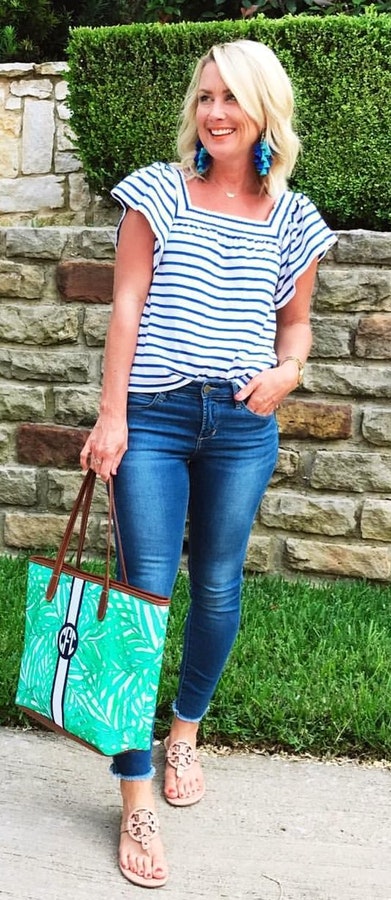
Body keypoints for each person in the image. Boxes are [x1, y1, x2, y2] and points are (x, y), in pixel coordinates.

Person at [80, 37, 336, 888]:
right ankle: (135, 795)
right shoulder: (158, 192)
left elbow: (293, 325)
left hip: (238, 424)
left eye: (231, 97)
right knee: (139, 601)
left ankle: (183, 732)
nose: (215, 112)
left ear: (265, 109)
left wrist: (288, 371)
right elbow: (126, 305)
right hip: (150, 419)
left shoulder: (295, 217)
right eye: (204, 98)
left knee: (219, 586)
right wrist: (111, 415)